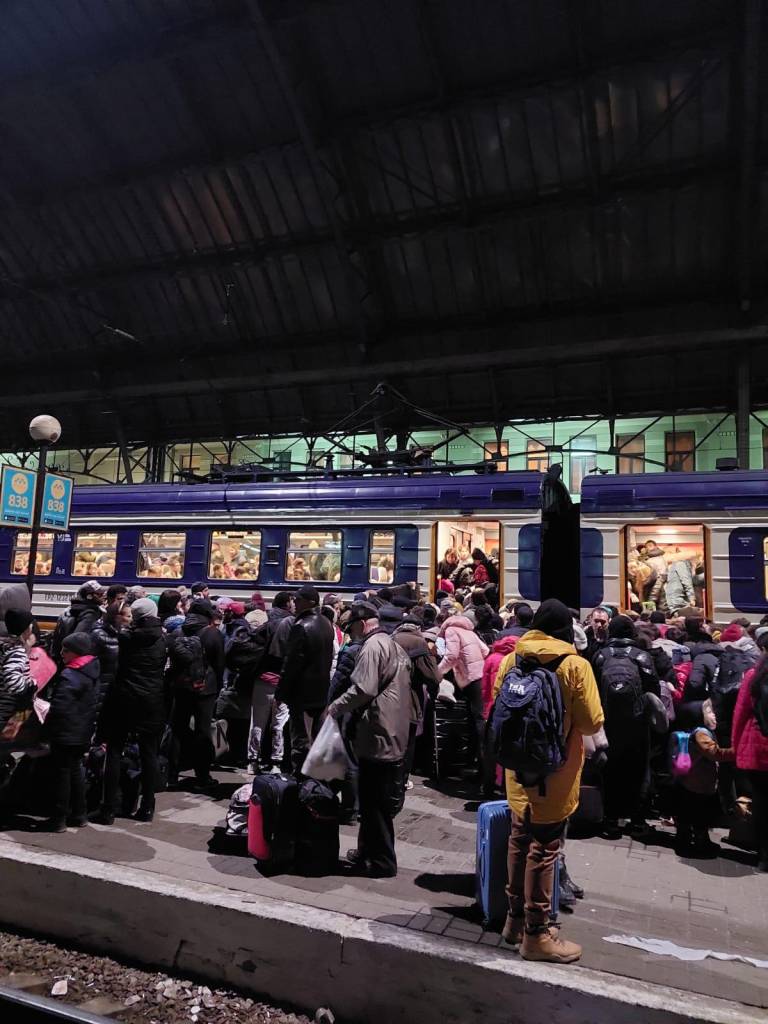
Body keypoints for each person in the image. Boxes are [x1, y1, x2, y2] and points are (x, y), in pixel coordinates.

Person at [494, 599, 604, 964]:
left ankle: (514, 922)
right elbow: (591, 723)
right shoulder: (575, 665)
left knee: (518, 839)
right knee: (544, 848)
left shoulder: (514, 658)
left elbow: (498, 704)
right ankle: (538, 935)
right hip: (555, 774)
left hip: (517, 771)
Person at [327, 606, 413, 877]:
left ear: (362, 624)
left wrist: (334, 708)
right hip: (392, 730)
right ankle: (367, 852)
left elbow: (363, 688)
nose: (350, 635)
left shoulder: (372, 647)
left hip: (379, 733)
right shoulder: (391, 644)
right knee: (373, 800)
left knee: (375, 804)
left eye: (351, 629)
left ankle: (382, 862)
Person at [94, 599, 168, 824]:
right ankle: (147, 807)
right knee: (149, 753)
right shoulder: (165, 638)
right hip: (152, 701)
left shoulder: (126, 638)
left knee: (115, 750)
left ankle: (108, 809)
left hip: (124, 698)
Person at [592, 615, 659, 837]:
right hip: (637, 723)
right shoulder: (642, 656)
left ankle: (610, 821)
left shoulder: (601, 655)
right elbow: (653, 691)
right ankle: (638, 821)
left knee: (610, 770)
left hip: (608, 722)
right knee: (638, 770)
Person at [43, 633, 101, 832]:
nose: (61, 653)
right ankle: (79, 814)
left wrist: (48, 726)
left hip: (67, 732)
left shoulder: (70, 674)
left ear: (76, 652)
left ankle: (58, 818)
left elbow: (60, 707)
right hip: (83, 730)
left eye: (65, 650)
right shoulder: (92, 671)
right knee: (76, 770)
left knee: (62, 774)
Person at [166, 599, 225, 790]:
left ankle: (172, 774)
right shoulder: (212, 633)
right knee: (202, 730)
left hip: (181, 686)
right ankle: (202, 776)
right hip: (205, 689)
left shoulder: (177, 631)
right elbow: (219, 663)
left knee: (177, 729)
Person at [275, 585, 334, 772]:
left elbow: (291, 664)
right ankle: (316, 778)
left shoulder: (300, 626)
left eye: (298, 600)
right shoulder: (326, 623)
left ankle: (300, 780)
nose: (294, 603)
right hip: (322, 691)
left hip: (301, 694)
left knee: (300, 741)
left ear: (310, 602)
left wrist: (280, 693)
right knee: (317, 738)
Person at [672, 700, 734, 856]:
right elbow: (714, 753)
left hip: (695, 781)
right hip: (699, 782)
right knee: (700, 814)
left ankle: (686, 838)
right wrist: (735, 753)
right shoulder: (701, 733)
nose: (714, 715)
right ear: (699, 716)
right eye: (709, 712)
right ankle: (699, 841)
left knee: (689, 812)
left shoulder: (703, 731)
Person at [437, 612, 489, 771]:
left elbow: (451, 656)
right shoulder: (469, 631)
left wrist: (438, 672)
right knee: (478, 718)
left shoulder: (451, 630)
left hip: (469, 679)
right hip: (480, 676)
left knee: (476, 721)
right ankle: (479, 762)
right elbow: (486, 650)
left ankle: (480, 760)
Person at [92, 599, 133, 733]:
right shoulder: (99, 635)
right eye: (128, 616)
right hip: (100, 684)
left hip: (114, 685)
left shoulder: (125, 635)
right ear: (117, 617)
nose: (131, 619)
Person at [0, 609, 36, 736]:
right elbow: (13, 682)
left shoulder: (4, 645)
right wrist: (30, 684)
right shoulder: (16, 651)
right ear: (25, 628)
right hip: (7, 710)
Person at [50, 581, 106, 662]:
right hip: (76, 659)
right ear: (89, 596)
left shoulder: (73, 609)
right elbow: (78, 638)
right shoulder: (90, 614)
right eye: (99, 594)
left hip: (62, 655)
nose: (102, 596)